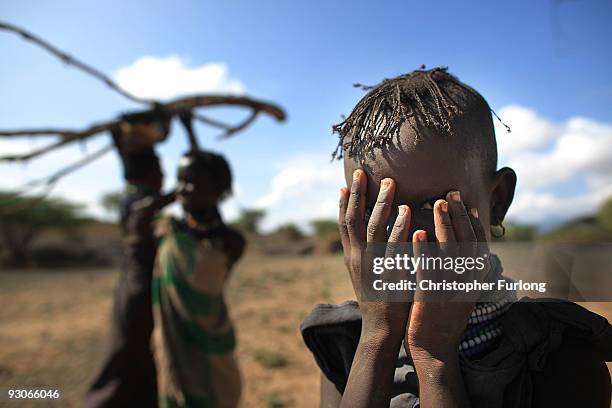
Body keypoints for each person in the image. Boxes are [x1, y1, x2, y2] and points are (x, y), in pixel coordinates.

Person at [301, 67, 612, 407]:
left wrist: (435, 354)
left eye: (431, 206)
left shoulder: (561, 355)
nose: (401, 236)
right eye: (376, 210)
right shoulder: (343, 344)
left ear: (495, 202)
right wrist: (377, 339)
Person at [85, 125, 173, 408]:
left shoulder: (131, 194)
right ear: (150, 175)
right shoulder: (137, 202)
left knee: (141, 356)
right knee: (128, 356)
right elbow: (144, 210)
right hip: (138, 290)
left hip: (134, 285)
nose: (163, 177)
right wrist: (179, 193)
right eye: (159, 171)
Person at [151, 150, 245, 408]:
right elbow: (136, 218)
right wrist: (176, 192)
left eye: (190, 181)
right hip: (174, 342)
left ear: (218, 189)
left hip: (212, 346)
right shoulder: (167, 229)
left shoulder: (230, 242)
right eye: (178, 180)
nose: (182, 189)